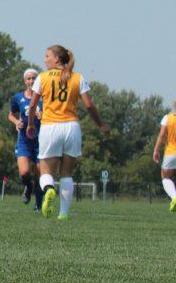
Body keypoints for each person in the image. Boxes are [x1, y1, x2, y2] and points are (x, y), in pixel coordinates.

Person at [27, 45, 111, 220]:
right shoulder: (77, 77)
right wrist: (101, 124)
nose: (44, 60)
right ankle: (63, 214)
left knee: (45, 172)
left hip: (50, 126)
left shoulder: (42, 77)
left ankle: (49, 190)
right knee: (67, 173)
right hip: (72, 128)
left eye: (47, 56)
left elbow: (33, 105)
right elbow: (89, 105)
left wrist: (30, 125)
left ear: (57, 59)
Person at [7, 69, 43, 210]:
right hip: (24, 141)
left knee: (40, 175)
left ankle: (38, 205)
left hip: (41, 141)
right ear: (25, 81)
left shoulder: (44, 98)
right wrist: (16, 122)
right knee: (24, 172)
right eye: (29, 78)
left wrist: (43, 116)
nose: (31, 81)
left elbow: (53, 115)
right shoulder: (18, 98)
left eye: (34, 78)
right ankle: (28, 187)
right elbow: (10, 115)